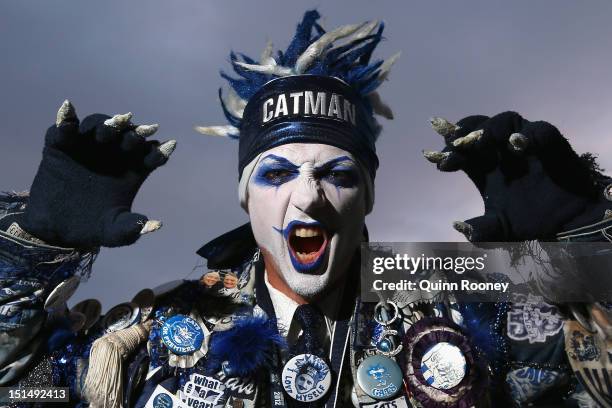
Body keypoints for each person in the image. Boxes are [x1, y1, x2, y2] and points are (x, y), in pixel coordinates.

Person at [0, 9, 609, 408]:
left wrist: (587, 240)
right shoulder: (160, 329)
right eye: (276, 173)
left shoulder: (450, 291)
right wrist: (31, 254)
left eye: (338, 173)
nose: (309, 196)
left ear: (369, 193)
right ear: (246, 195)